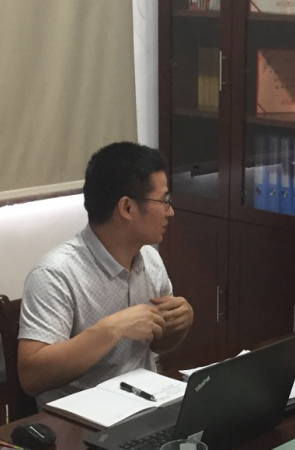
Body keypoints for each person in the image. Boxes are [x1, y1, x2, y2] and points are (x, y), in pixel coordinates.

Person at [18, 142, 193, 406]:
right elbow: (32, 377)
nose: (171, 211)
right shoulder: (55, 273)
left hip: (144, 403)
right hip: (80, 417)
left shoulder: (150, 259)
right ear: (127, 208)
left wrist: (180, 322)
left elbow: (158, 344)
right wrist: (113, 329)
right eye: (164, 201)